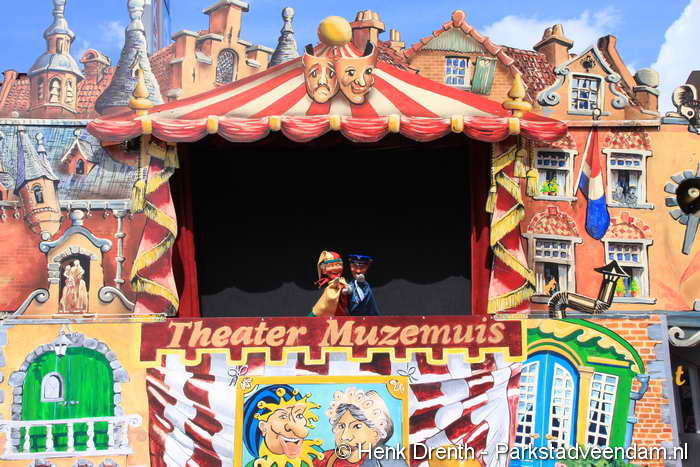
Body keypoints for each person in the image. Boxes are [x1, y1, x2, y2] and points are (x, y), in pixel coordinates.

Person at [314, 388, 406, 466]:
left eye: (357, 426)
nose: (344, 436)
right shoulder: (323, 459)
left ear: (376, 433)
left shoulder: (387, 458)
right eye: (341, 426)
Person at [243, 384, 324, 467]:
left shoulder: (315, 454)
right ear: (263, 427)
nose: (295, 425)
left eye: (299, 416)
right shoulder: (255, 464)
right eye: (283, 417)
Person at [311, 251, 351, 316]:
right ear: (324, 270)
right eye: (331, 265)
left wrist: (346, 291)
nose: (335, 268)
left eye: (338, 265)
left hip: (339, 312)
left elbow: (346, 291)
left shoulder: (342, 281)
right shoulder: (329, 285)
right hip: (324, 311)